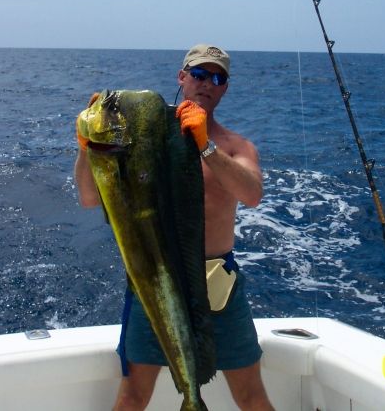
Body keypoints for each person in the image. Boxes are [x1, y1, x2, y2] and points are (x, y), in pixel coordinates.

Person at [74, 44, 274, 410]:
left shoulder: (234, 146)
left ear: (225, 87)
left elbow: (253, 194)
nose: (207, 84)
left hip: (219, 289)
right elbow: (89, 198)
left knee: (251, 396)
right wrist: (89, 146)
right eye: (198, 74)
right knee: (133, 397)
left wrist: (205, 147)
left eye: (217, 78)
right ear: (181, 77)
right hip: (155, 283)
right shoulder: (140, 141)